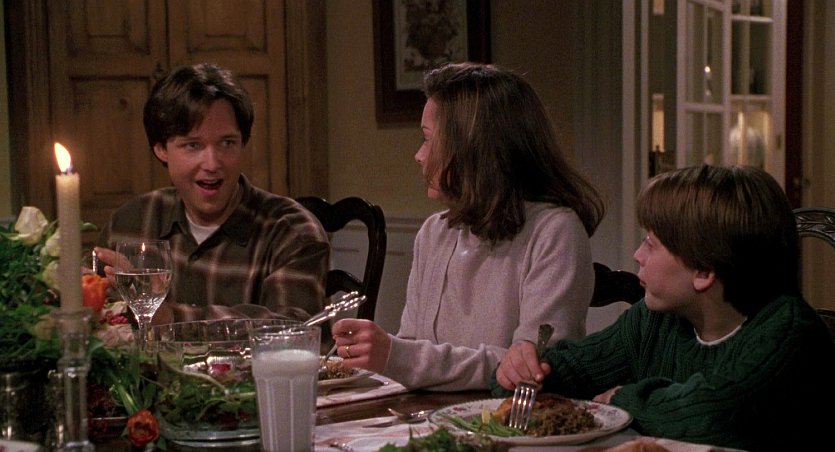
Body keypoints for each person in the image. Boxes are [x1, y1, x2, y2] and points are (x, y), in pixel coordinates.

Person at [493, 165, 835, 450]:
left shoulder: (789, 334)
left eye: (650, 243)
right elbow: (571, 370)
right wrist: (523, 370)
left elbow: (713, 415)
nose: (637, 255)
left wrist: (624, 398)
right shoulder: (656, 320)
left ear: (703, 271)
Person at [330, 62, 605, 391]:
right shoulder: (435, 232)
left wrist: (397, 355)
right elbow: (413, 351)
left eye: (428, 140)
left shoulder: (554, 232)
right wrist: (382, 353)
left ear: (473, 150)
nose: (419, 155)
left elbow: (530, 366)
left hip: (508, 416)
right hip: (429, 413)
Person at [96, 62, 329, 323]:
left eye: (227, 143)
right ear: (161, 149)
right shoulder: (129, 223)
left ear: (243, 143)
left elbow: (293, 329)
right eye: (193, 145)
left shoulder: (291, 231)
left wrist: (169, 317)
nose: (212, 164)